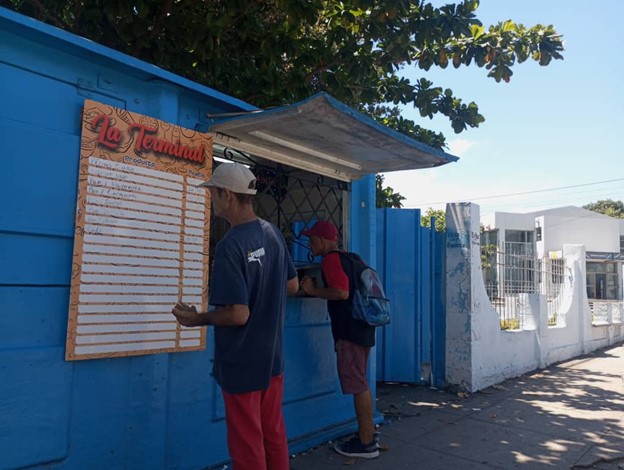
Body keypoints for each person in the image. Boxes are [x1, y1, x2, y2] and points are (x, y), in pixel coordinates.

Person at [172, 162, 299, 470]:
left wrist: (196, 319)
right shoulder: (272, 234)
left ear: (225, 194)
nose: (211, 200)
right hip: (272, 359)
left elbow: (238, 314)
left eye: (213, 194)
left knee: (247, 443)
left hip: (243, 362)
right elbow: (292, 286)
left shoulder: (230, 245)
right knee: (272, 433)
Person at [299, 221, 379, 459]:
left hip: (350, 332)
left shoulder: (331, 260)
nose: (309, 244)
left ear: (323, 240)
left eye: (312, 239)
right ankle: (368, 434)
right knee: (360, 383)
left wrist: (313, 291)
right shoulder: (353, 258)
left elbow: (341, 292)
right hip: (364, 328)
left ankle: (366, 442)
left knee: (358, 385)